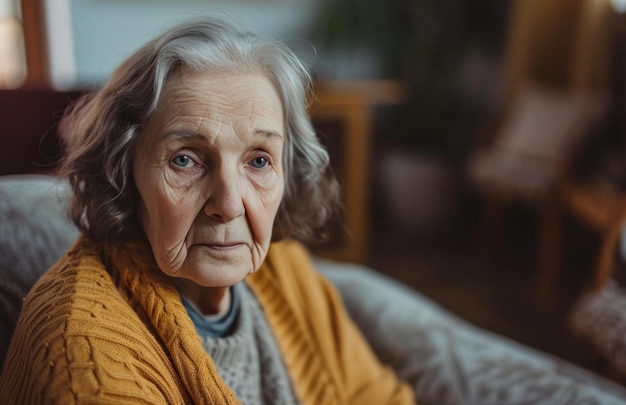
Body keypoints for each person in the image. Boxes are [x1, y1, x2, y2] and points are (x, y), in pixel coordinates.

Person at [0, 16, 414, 404]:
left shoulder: (287, 276)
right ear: (122, 172)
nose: (230, 205)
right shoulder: (86, 357)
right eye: (185, 160)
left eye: (258, 161)